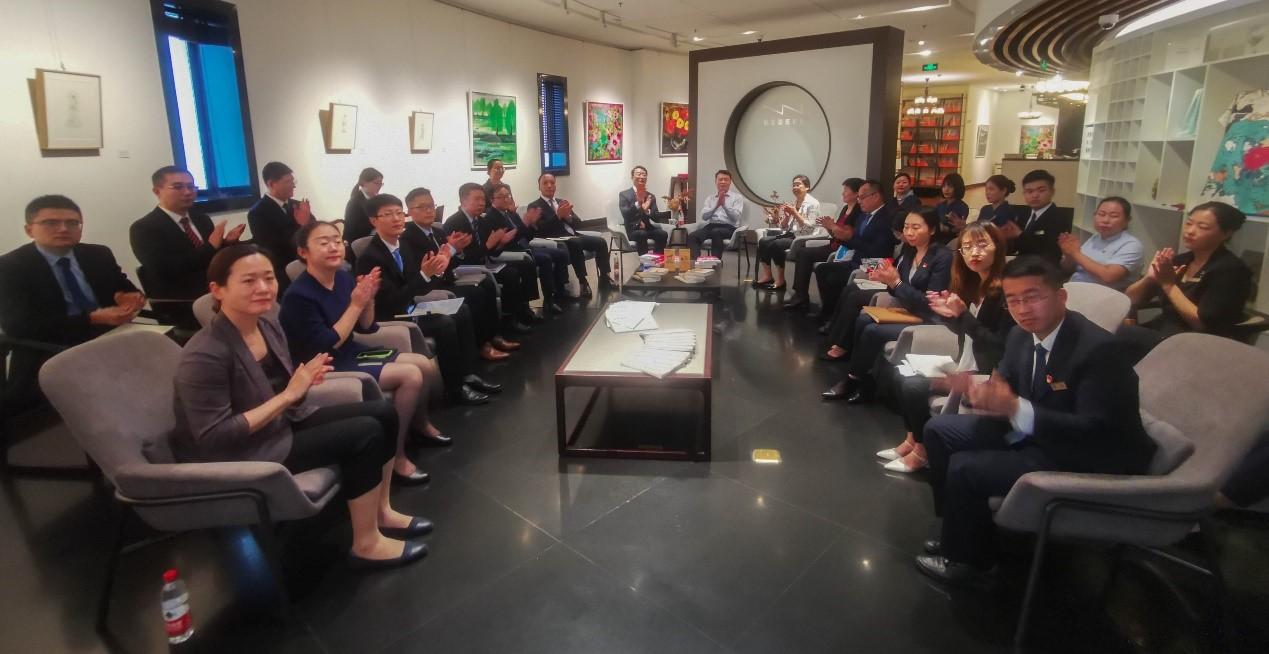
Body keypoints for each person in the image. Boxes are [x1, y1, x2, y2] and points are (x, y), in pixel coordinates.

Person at [174, 244, 430, 570]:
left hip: (282, 421)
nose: (263, 288)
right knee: (364, 433)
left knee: (382, 412)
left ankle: (382, 511)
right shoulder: (205, 353)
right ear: (218, 290)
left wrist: (302, 382)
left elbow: (287, 388)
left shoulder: (266, 325)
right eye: (249, 281)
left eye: (269, 278)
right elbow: (214, 436)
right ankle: (366, 543)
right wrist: (288, 395)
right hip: (244, 449)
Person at [915, 257, 1156, 585]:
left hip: (1088, 453)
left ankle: (970, 563)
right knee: (939, 430)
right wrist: (979, 392)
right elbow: (1006, 383)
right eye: (1013, 300)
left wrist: (1014, 407)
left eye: (1032, 297)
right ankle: (960, 530)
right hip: (1039, 430)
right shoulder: (1020, 335)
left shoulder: (1099, 350)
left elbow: (1096, 430)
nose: (1022, 309)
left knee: (966, 468)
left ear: (1061, 297)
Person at [280, 220, 451, 485]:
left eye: (336, 241)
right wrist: (355, 305)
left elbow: (366, 326)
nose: (333, 247)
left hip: (350, 351)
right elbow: (325, 345)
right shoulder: (298, 296)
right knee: (411, 375)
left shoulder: (342, 277)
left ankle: (419, 425)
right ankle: (396, 455)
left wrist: (368, 300)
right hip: (325, 363)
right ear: (303, 252)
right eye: (323, 243)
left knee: (423, 363)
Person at [881, 222, 1012, 473]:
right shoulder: (972, 285)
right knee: (900, 374)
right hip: (966, 362)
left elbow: (998, 346)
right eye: (967, 247)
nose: (974, 252)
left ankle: (922, 451)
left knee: (913, 386)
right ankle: (912, 440)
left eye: (982, 244)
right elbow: (967, 332)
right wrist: (950, 317)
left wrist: (962, 317)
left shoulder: (1005, 292)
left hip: (986, 371)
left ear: (998, 247)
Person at [356, 193, 502, 405]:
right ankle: (454, 389)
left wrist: (438, 267)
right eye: (388, 214)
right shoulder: (371, 257)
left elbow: (421, 288)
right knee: (444, 323)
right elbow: (393, 301)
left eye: (399, 213)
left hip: (411, 307)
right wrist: (424, 275)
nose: (396, 219)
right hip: (392, 316)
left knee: (461, 310)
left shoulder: (401, 247)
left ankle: (468, 374)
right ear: (373, 221)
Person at [0, 195, 145, 406]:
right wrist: (92, 319)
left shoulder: (97, 254)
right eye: (51, 223)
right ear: (29, 230)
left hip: (110, 335)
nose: (63, 229)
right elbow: (18, 326)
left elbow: (126, 289)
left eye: (72, 223)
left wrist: (130, 298)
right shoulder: (11, 266)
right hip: (51, 346)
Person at [821, 208, 953, 402]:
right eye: (906, 227)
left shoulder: (942, 257)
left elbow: (930, 303)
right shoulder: (909, 251)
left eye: (916, 227)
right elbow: (895, 288)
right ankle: (861, 377)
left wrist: (896, 283)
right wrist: (887, 280)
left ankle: (854, 381)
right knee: (863, 319)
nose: (909, 232)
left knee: (872, 330)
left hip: (929, 318)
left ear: (932, 230)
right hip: (908, 309)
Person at [400, 187, 524, 350]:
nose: (429, 210)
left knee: (487, 284)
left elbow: (452, 263)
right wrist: (452, 250)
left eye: (431, 205)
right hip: (433, 287)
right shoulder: (408, 237)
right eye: (422, 207)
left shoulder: (437, 231)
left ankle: (494, 335)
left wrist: (457, 251)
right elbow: (426, 270)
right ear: (409, 211)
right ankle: (483, 344)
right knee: (476, 293)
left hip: (449, 277)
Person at [1120, 202, 1252, 352]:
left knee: (1117, 338)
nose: (1190, 231)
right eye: (1189, 223)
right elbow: (1131, 299)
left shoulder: (1231, 270)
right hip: (1164, 330)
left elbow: (1202, 324)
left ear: (1226, 234)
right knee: (1110, 330)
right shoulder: (1182, 260)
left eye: (1203, 227)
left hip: (1196, 342)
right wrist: (1150, 278)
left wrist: (1169, 286)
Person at [130, 166, 244, 326]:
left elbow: (212, 258)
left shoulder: (201, 219)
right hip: (182, 302)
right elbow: (165, 269)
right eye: (178, 187)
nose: (187, 192)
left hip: (217, 291)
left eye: (191, 186)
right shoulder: (144, 228)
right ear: (157, 191)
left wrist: (226, 243)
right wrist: (211, 247)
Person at [443, 182, 541, 327]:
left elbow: (492, 251)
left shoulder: (481, 221)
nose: (482, 203)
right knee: (506, 276)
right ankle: (507, 323)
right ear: (463, 200)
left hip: (484, 264)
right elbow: (465, 257)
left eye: (483, 199)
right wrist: (489, 245)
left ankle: (517, 315)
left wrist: (500, 243)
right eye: (477, 199)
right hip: (465, 268)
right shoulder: (454, 223)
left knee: (512, 272)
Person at [810, 179, 898, 322]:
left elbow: (877, 251)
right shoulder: (863, 216)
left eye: (862, 197)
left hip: (876, 264)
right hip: (857, 261)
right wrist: (837, 233)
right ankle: (828, 313)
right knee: (822, 269)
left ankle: (834, 318)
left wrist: (848, 237)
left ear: (875, 196)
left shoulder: (886, 218)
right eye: (858, 198)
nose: (859, 201)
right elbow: (852, 240)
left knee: (834, 278)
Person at [485, 183, 570, 313]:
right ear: (492, 199)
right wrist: (524, 224)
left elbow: (526, 236)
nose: (506, 199)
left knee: (560, 253)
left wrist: (531, 224)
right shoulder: (491, 217)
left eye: (508, 196)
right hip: (512, 251)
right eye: (501, 197)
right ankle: (546, 300)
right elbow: (507, 241)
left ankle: (560, 291)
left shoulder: (510, 213)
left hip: (524, 246)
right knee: (545, 259)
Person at [529, 173, 616, 297]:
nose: (549, 186)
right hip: (556, 240)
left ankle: (604, 276)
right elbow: (541, 230)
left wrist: (568, 217)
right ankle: (583, 281)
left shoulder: (561, 202)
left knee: (600, 242)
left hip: (573, 235)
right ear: (539, 187)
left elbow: (578, 223)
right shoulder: (534, 206)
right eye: (545, 183)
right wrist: (557, 216)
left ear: (555, 186)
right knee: (575, 243)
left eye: (552, 183)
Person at [784, 178, 864, 310]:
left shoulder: (859, 211)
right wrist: (828, 227)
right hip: (835, 244)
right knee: (803, 252)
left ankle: (805, 297)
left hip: (843, 248)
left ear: (856, 193)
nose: (843, 193)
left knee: (805, 254)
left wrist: (832, 226)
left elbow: (848, 235)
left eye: (846, 190)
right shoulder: (845, 208)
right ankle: (800, 294)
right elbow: (835, 233)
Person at [247, 161, 315, 291]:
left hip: (310, 262)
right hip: (282, 271)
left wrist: (306, 223)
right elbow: (274, 249)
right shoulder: (257, 213)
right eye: (288, 182)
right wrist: (301, 226)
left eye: (293, 181)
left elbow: (316, 232)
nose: (293, 186)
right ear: (271, 184)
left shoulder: (298, 205)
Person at [1058, 196, 1144, 291]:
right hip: (1073, 288)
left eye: (1114, 216)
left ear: (1127, 220)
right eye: (1101, 214)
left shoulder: (1132, 245)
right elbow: (1068, 269)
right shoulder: (1096, 237)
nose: (1105, 220)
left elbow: (1108, 276)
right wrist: (1069, 255)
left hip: (1102, 296)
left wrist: (1075, 253)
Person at [754, 174, 821, 291]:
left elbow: (809, 228)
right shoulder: (795, 202)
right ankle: (768, 276)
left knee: (776, 244)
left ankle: (780, 280)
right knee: (763, 241)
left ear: (807, 187)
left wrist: (795, 213)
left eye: (798, 185)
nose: (795, 187)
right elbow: (784, 227)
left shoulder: (813, 203)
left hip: (803, 237)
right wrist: (787, 216)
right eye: (793, 185)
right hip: (792, 234)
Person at [1000, 169, 1072, 264]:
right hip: (1022, 264)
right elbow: (1017, 246)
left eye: (1041, 190)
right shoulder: (1024, 213)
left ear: (1052, 191)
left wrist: (1020, 235)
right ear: (1024, 193)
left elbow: (1049, 251)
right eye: (1029, 191)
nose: (1035, 195)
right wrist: (1006, 238)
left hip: (1045, 268)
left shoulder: (1060, 217)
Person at [688, 169, 744, 259]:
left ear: (730, 182)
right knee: (692, 236)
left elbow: (735, 218)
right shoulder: (710, 198)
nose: (723, 182)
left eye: (726, 179)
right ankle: (696, 262)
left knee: (716, 232)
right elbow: (704, 217)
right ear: (716, 182)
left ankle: (715, 262)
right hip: (711, 225)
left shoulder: (737, 198)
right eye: (720, 179)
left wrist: (724, 205)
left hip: (729, 227)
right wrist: (716, 206)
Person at [618, 165, 669, 255]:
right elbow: (625, 214)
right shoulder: (624, 194)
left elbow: (656, 217)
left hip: (648, 229)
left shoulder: (650, 196)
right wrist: (638, 204)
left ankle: (657, 258)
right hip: (633, 230)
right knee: (642, 234)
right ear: (632, 177)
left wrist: (647, 211)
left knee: (663, 234)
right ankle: (644, 261)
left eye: (644, 175)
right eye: (638, 174)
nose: (641, 177)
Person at [343, 167, 384, 243]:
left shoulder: (374, 199)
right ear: (364, 182)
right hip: (356, 241)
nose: (379, 186)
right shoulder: (355, 202)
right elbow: (357, 228)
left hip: (370, 237)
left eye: (381, 184)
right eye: (376, 183)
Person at [934, 173, 969, 244]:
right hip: (937, 238)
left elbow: (957, 230)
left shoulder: (962, 207)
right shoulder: (940, 205)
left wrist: (944, 228)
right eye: (944, 186)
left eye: (950, 186)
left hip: (951, 242)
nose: (946, 189)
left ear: (957, 187)